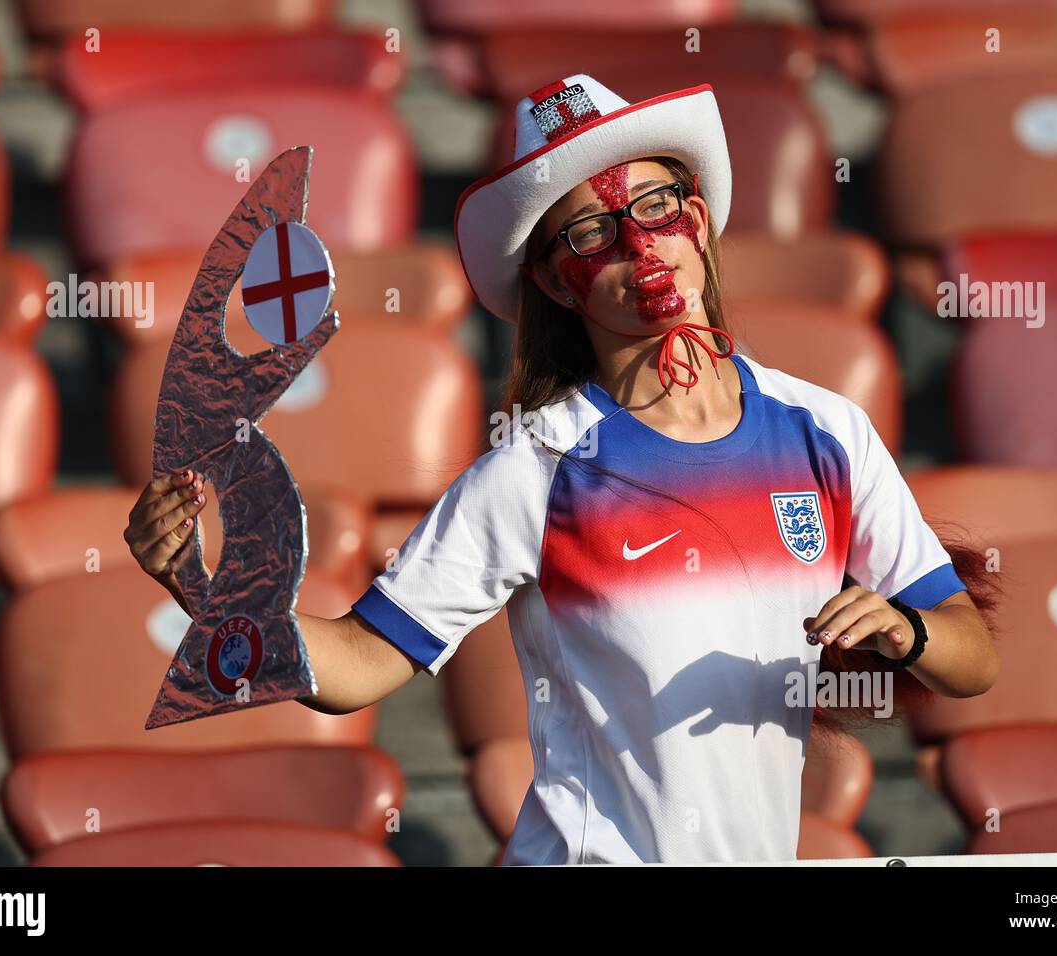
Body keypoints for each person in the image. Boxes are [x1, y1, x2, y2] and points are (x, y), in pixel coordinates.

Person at [124, 74, 998, 864]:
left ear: (697, 222)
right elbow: (356, 664)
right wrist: (204, 588)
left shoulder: (828, 429)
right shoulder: (536, 466)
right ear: (553, 283)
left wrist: (907, 631)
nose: (641, 245)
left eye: (658, 206)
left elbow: (971, 657)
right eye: (592, 232)